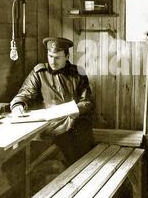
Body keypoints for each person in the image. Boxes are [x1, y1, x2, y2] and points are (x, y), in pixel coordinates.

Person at [10, 37, 95, 165]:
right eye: (50, 56)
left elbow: (87, 101)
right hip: (50, 126)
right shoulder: (39, 73)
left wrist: (77, 110)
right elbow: (26, 92)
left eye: (57, 57)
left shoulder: (78, 73)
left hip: (75, 124)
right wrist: (18, 105)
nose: (52, 61)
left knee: (78, 156)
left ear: (67, 56)